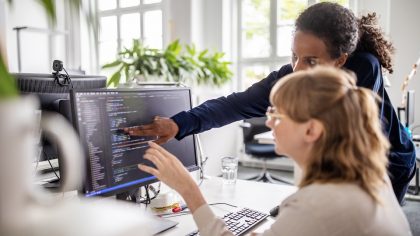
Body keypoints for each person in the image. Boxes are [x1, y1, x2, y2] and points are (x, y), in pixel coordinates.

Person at [126, 2, 416, 204]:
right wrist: (179, 124)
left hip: (390, 163)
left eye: (311, 61)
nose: (298, 69)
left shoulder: (363, 67)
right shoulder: (293, 75)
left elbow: (346, 141)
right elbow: (235, 104)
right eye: (294, 56)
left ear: (340, 60)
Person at [139, 66, 412, 236]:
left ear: (311, 130)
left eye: (277, 113)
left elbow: (315, 216)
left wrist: (188, 189)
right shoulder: (367, 176)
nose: (268, 121)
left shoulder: (318, 203)